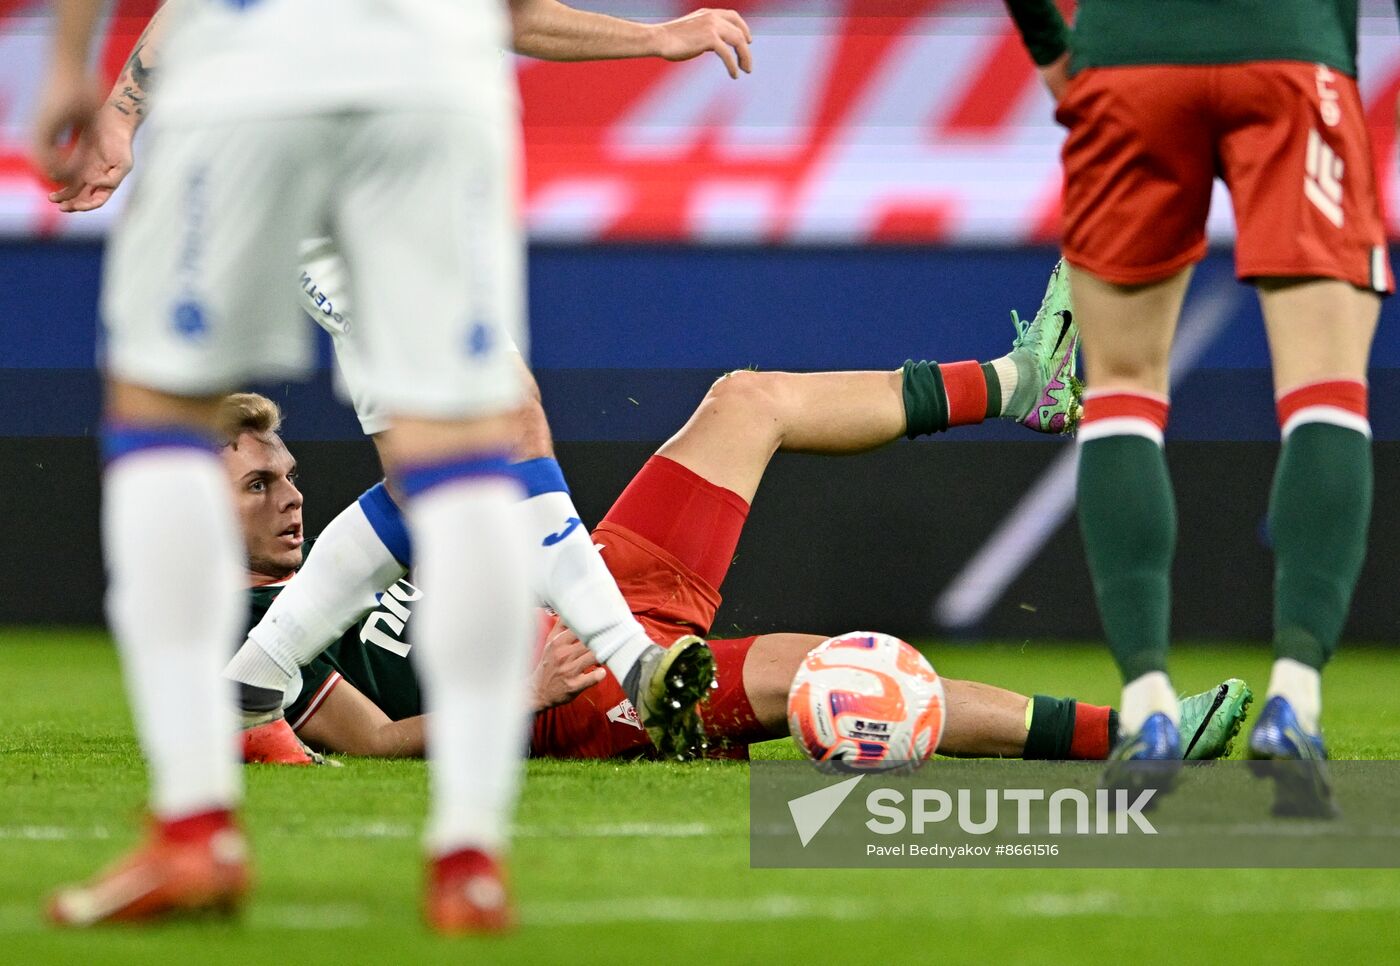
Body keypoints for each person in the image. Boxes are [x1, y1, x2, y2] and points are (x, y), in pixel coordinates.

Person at [53, 0, 758, 769]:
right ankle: (632, 659)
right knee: (502, 420)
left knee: (443, 458)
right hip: (310, 186)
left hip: (405, 176)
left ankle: (253, 683)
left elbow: (509, 17)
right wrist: (123, 116)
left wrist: (656, 39)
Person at [216, 272, 1250, 766]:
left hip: (588, 573)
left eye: (287, 471)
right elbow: (365, 756)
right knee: (834, 676)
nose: (293, 494)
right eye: (259, 487)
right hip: (565, 697)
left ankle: (1022, 382)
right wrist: (516, 697)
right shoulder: (257, 638)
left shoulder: (364, 534)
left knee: (743, 400)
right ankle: (1129, 737)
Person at [33, 0, 548, 933]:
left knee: (162, 423)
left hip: (250, 60)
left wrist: (79, 68)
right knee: (464, 454)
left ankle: (195, 831)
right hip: (435, 69)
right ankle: (471, 857)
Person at [1004, 1, 1388, 814]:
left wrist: (1054, 47)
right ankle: (1295, 698)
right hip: (1290, 51)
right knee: (1327, 389)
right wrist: (1330, 50)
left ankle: (1146, 706)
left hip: (1128, 58)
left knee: (1121, 393)